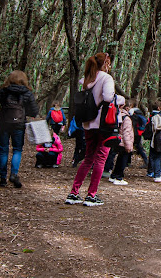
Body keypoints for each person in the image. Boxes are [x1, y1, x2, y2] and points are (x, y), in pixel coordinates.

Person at [65, 52, 115, 207]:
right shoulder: (106, 78)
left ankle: (74, 193)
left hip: (88, 123)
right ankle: (91, 195)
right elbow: (107, 97)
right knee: (101, 158)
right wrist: (118, 99)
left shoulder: (88, 80)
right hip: (103, 123)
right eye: (109, 63)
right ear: (106, 63)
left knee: (88, 158)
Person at [0, 70, 39, 188]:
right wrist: (24, 112)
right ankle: (14, 174)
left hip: (3, 123)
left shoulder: (4, 91)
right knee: (17, 150)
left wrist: (0, 114)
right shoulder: (27, 92)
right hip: (19, 124)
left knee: (3, 150)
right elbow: (34, 111)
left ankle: (2, 178)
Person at [108, 97, 134, 185]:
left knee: (119, 159)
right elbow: (126, 133)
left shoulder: (117, 115)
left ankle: (114, 175)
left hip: (117, 140)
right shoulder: (126, 118)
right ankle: (119, 177)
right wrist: (128, 146)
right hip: (124, 142)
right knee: (123, 160)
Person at [127, 98, 148, 168]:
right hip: (134, 133)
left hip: (136, 133)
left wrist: (140, 129)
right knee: (131, 146)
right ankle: (127, 162)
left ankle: (146, 161)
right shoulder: (135, 112)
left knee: (138, 147)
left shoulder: (135, 113)